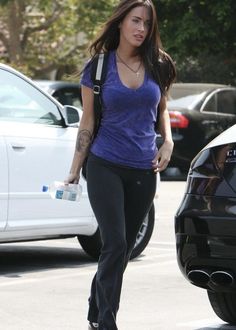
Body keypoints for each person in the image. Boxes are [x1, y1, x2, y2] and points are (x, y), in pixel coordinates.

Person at [65, 0, 176, 329]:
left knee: (122, 250)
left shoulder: (158, 64)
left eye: (147, 23)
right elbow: (88, 120)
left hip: (143, 168)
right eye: (136, 21)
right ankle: (107, 322)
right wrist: (74, 169)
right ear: (120, 23)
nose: (141, 29)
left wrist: (168, 141)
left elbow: (162, 107)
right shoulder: (98, 67)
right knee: (113, 243)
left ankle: (94, 312)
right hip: (104, 163)